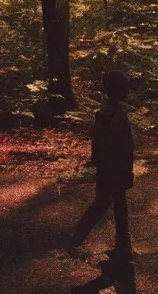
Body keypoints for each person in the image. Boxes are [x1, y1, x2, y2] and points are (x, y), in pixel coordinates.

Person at [65, 70, 135, 261]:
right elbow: (126, 148)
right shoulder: (120, 116)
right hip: (117, 170)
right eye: (125, 85)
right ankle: (77, 240)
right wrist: (127, 171)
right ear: (120, 90)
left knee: (107, 204)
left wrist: (98, 163)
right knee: (115, 206)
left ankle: (122, 246)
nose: (128, 88)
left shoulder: (102, 115)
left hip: (105, 169)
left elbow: (96, 145)